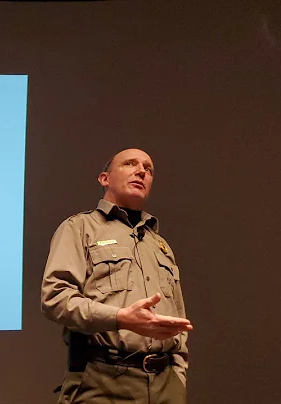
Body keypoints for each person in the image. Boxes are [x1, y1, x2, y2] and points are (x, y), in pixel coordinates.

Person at [41, 148, 193, 404]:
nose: (141, 171)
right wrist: (121, 318)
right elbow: (56, 299)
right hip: (103, 383)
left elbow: (179, 319)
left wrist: (178, 375)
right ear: (104, 178)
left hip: (166, 387)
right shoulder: (79, 229)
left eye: (148, 168)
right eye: (130, 164)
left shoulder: (160, 246)